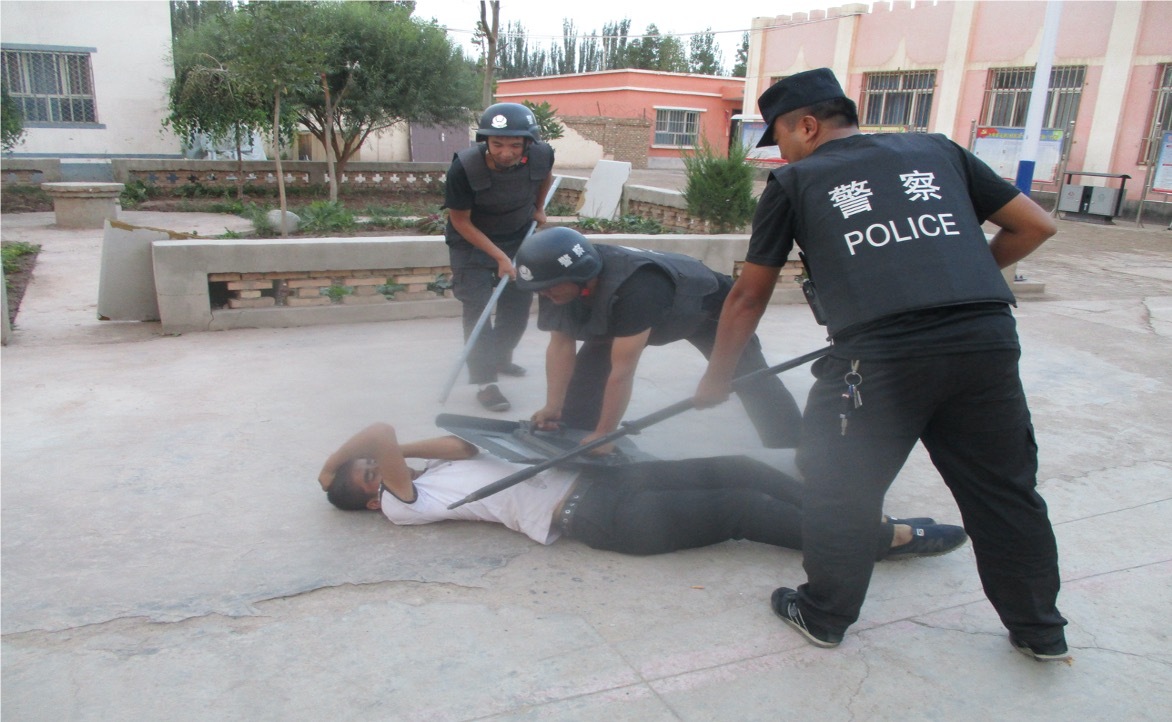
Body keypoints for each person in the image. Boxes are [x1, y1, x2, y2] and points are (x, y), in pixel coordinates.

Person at [694, 68, 1067, 661]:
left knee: (840, 489)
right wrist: (953, 277)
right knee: (1004, 492)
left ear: (807, 126)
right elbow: (1036, 224)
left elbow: (746, 296)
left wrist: (718, 379)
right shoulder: (938, 151)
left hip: (879, 362)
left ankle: (823, 614)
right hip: (986, 344)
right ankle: (1041, 631)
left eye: (779, 137)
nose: (779, 153)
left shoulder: (795, 182)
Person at [317, 422, 968, 559]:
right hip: (602, 517)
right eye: (371, 475)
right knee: (741, 510)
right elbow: (380, 431)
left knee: (739, 466)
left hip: (606, 480)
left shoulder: (430, 477)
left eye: (373, 466)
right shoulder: (403, 507)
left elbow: (460, 444)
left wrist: (394, 458)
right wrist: (332, 467)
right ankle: (877, 540)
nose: (381, 466)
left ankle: (850, 520)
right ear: (375, 499)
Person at [512, 227, 804, 453]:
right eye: (540, 289)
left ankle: (795, 445)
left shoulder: (638, 288)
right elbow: (560, 346)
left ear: (581, 275)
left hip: (709, 309)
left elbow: (622, 372)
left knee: (751, 376)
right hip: (640, 312)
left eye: (549, 289)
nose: (544, 295)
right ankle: (576, 437)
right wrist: (553, 405)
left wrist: (606, 434)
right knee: (586, 375)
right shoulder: (554, 281)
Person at [445, 102, 556, 413]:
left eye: (515, 145)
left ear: (528, 143)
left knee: (517, 308)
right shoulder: (464, 169)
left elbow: (545, 176)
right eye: (497, 144)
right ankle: (486, 383)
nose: (506, 152)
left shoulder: (541, 154)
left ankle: (499, 358)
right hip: (471, 243)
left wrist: (539, 207)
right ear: (485, 141)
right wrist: (499, 257)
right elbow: (460, 221)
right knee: (479, 312)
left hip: (517, 236)